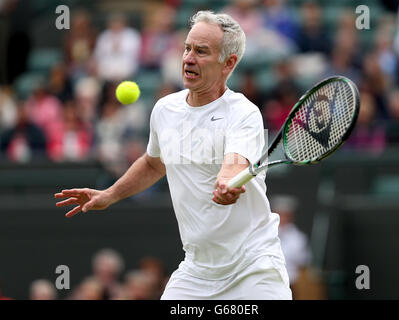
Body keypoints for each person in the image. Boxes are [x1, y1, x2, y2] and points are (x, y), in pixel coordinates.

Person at [55, 11, 292, 300]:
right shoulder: (165, 110)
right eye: (187, 48)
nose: (189, 58)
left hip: (254, 268)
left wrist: (226, 182)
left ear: (228, 63)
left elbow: (235, 163)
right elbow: (154, 163)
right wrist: (110, 194)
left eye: (201, 51)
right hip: (196, 272)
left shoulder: (244, 114)